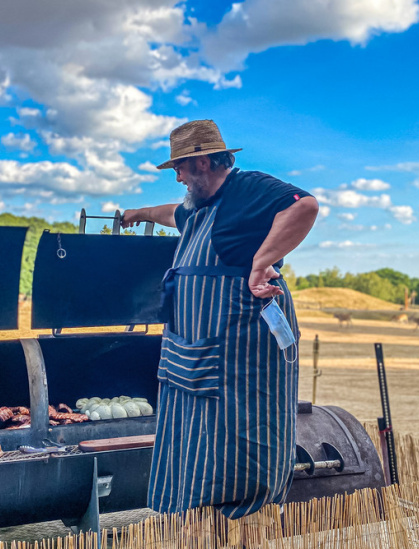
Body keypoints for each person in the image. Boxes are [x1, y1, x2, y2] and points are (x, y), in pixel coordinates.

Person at [121, 119, 318, 519]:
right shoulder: (198, 207)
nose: (177, 177)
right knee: (194, 434)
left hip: (236, 349)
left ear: (203, 162)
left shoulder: (246, 188)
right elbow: (170, 213)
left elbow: (304, 206)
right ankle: (198, 512)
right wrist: (140, 213)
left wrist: (262, 262)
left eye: (179, 167)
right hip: (196, 350)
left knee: (236, 437)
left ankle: (241, 515)